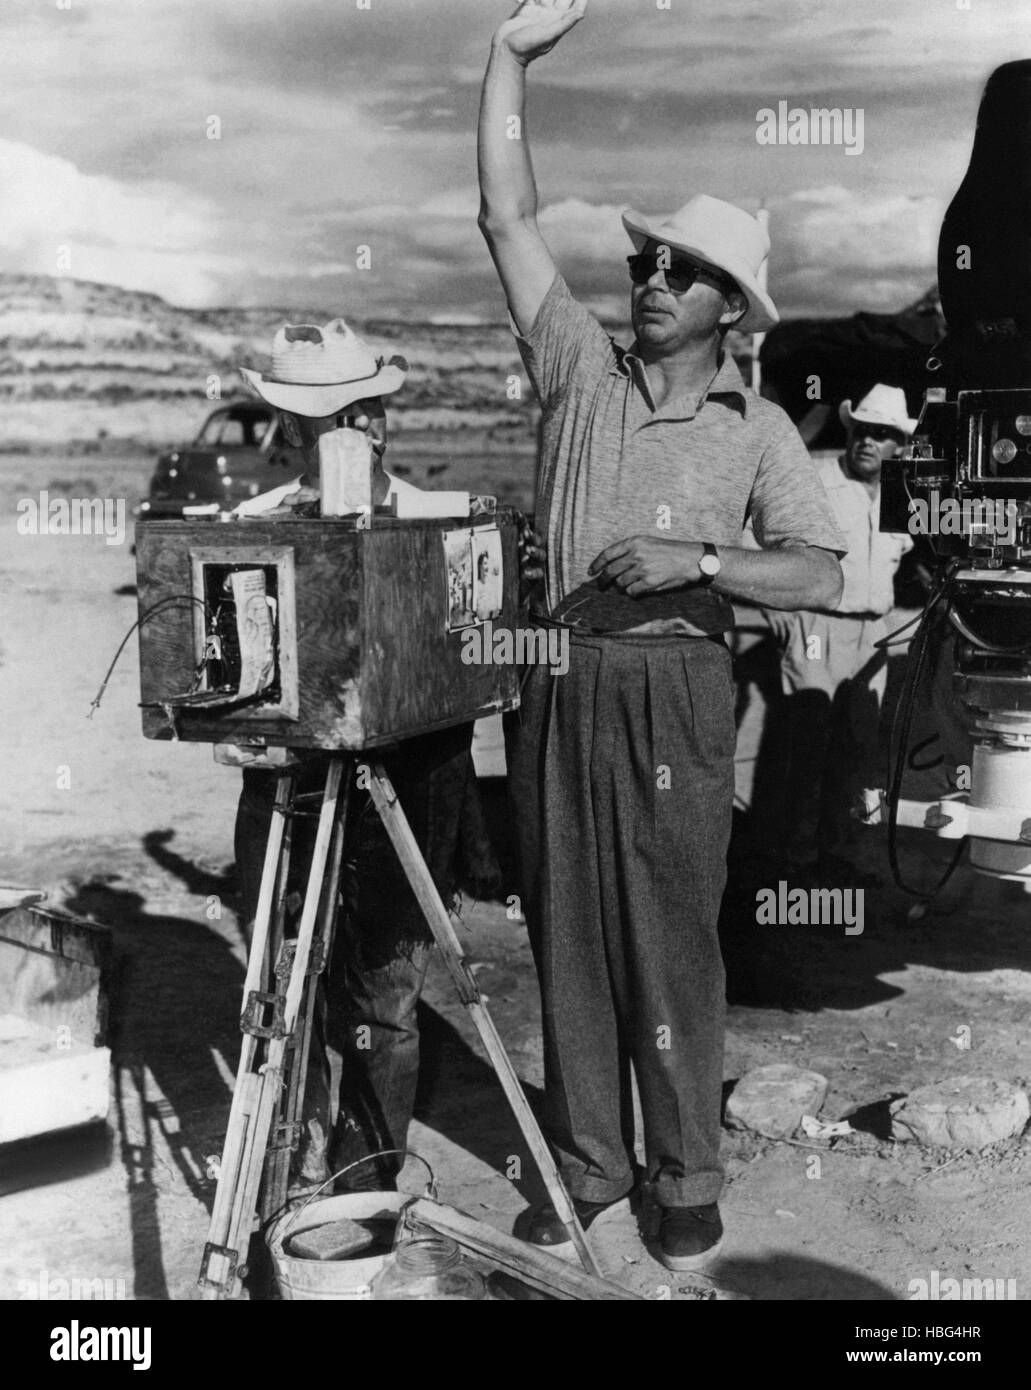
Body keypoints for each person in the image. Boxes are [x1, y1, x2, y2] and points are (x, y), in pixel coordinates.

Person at [477, 0, 846, 1271]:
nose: (650, 280)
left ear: (727, 306)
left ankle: (684, 1175)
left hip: (678, 687)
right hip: (559, 677)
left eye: (678, 270)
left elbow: (816, 571)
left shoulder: (757, 430)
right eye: (644, 262)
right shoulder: (575, 369)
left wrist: (701, 560)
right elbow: (505, 218)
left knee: (670, 935)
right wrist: (506, 59)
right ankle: (587, 1165)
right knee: (566, 930)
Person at [235, 318, 492, 1194]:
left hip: (409, 789)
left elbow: (477, 664)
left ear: (381, 419)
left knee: (385, 993)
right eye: (324, 416)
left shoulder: (438, 524)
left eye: (361, 410)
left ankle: (369, 1167)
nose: (350, 428)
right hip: (289, 790)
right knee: (284, 979)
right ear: (290, 428)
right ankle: (293, 1148)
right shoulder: (255, 528)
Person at [760, 384, 915, 881]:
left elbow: (903, 557)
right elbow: (755, 535)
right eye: (861, 431)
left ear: (899, 445)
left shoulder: (901, 495)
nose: (867, 441)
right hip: (818, 625)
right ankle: (795, 863)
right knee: (808, 745)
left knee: (859, 750)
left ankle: (840, 857)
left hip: (873, 633)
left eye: (882, 434)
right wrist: (775, 607)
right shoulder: (815, 479)